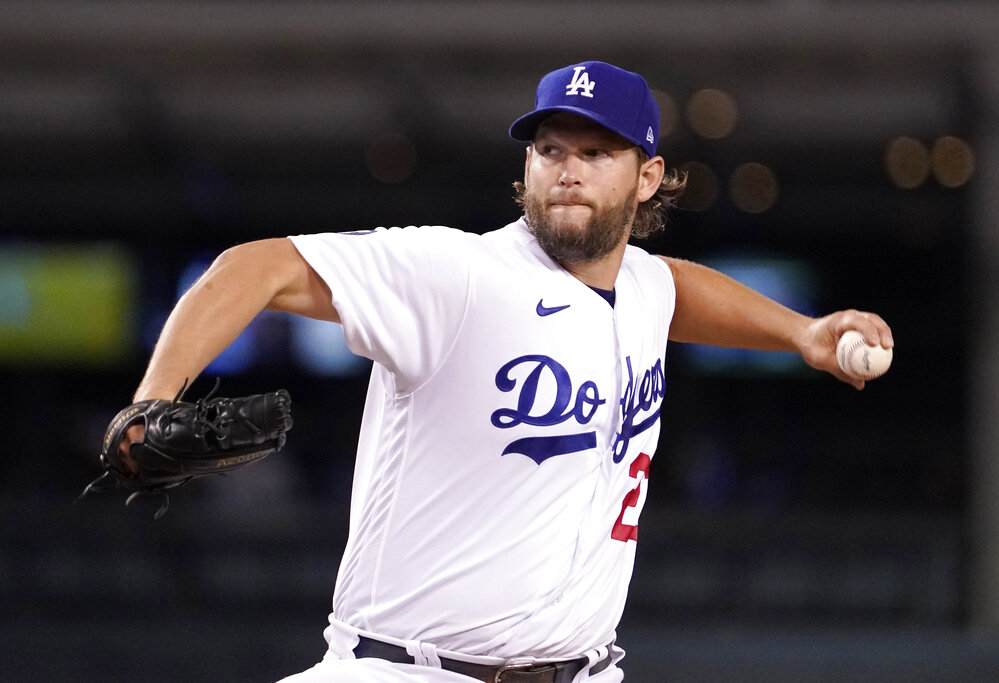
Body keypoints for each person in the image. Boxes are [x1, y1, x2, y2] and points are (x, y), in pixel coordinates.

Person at [124, 61, 893, 682]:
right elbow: (253, 268)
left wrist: (805, 333)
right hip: (407, 670)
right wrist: (149, 404)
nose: (569, 169)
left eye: (597, 153)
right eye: (551, 148)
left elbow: (677, 287)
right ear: (526, 164)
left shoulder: (645, 287)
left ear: (648, 176)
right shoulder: (458, 271)